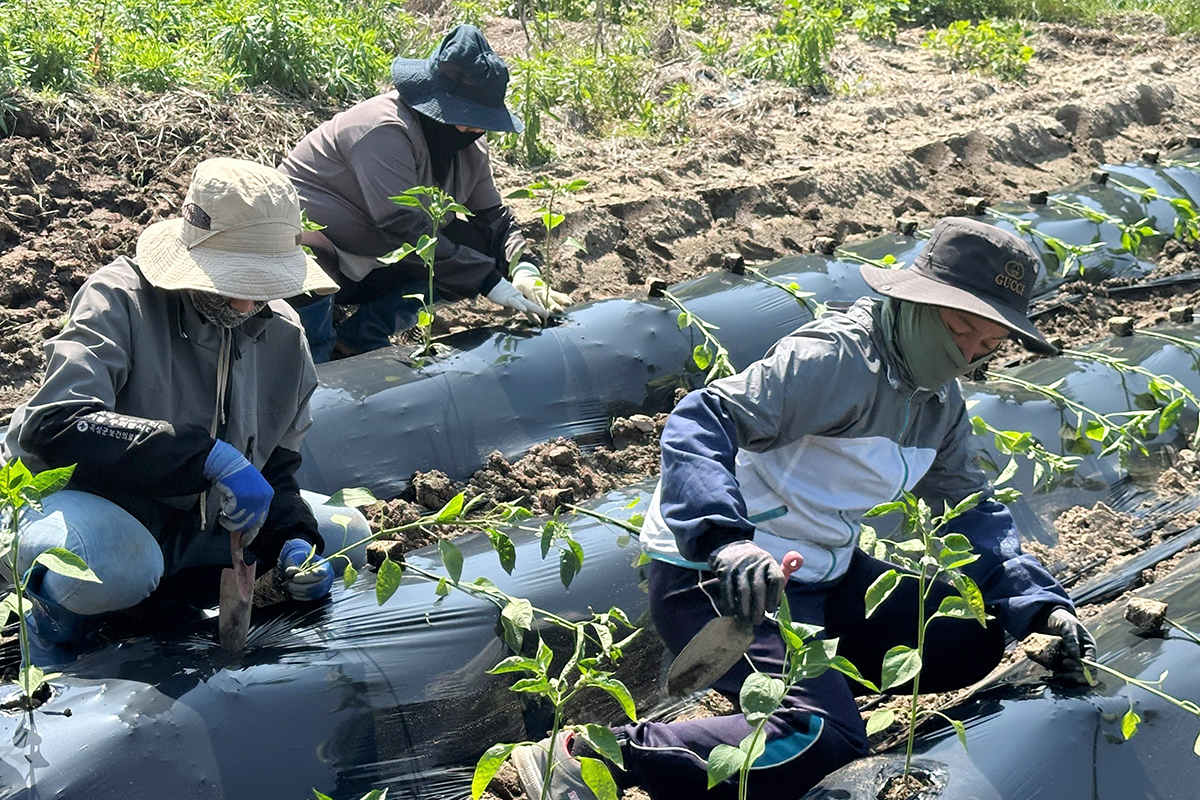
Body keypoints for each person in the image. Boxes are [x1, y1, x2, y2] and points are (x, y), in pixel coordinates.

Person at [511, 217, 1096, 799]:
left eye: (988, 344)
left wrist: (1040, 605)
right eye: (961, 327)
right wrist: (724, 540)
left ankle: (803, 698)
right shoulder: (835, 360)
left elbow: (971, 508)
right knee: (827, 743)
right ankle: (591, 755)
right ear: (916, 301)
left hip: (822, 573)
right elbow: (700, 419)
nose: (966, 353)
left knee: (969, 634)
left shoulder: (937, 404)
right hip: (727, 580)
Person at [1, 157, 372, 660]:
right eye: (235, 284)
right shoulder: (121, 299)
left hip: (194, 524)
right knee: (114, 564)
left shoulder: (284, 336)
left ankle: (158, 605)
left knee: (345, 534)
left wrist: (294, 537)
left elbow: (277, 470)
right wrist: (205, 456)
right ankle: (52, 624)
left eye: (262, 288)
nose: (246, 306)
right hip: (86, 503)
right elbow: (58, 425)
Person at [280, 24, 571, 362]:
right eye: (466, 117)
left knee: (477, 245)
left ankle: (361, 335)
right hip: (324, 259)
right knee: (305, 251)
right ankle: (313, 358)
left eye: (480, 121)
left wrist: (523, 268)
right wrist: (487, 280)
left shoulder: (470, 147)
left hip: (381, 261)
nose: (474, 129)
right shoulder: (383, 128)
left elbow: (493, 219)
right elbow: (401, 224)